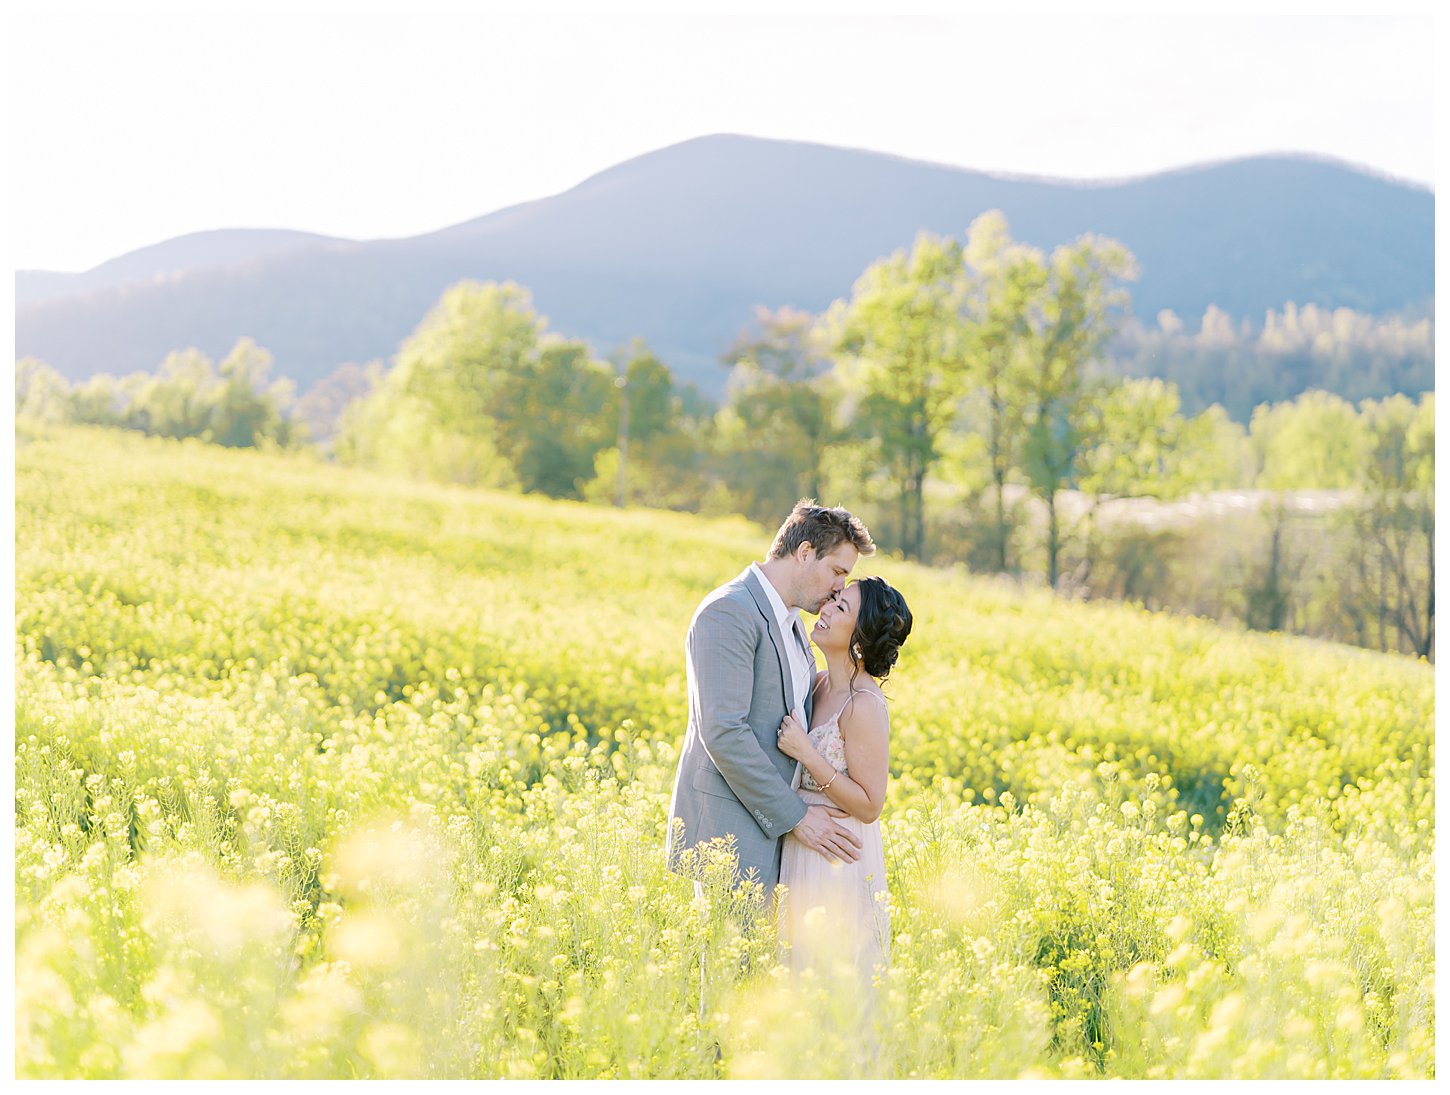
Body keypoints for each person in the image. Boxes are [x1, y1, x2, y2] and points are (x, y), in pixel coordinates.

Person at [665, 500, 877, 897]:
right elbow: (724, 733)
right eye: (837, 571)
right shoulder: (729, 611)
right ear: (804, 552)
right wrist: (797, 817)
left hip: (781, 845)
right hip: (731, 838)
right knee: (733, 960)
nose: (839, 588)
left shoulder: (794, 624)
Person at [774, 575, 912, 984]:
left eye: (841, 608)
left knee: (832, 982)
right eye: (833, 600)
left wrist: (807, 754)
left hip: (837, 858)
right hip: (802, 845)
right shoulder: (816, 683)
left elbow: (871, 805)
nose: (826, 610)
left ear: (859, 639)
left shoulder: (864, 704)